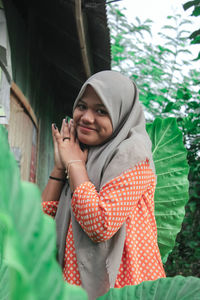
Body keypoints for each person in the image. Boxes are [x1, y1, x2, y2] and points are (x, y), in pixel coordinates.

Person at [42, 70, 166, 300]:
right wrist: (60, 168)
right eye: (82, 106)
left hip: (121, 285)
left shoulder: (133, 154)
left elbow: (100, 224)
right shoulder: (81, 152)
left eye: (101, 110)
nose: (87, 117)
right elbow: (41, 223)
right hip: (72, 283)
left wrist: (74, 165)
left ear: (121, 114)